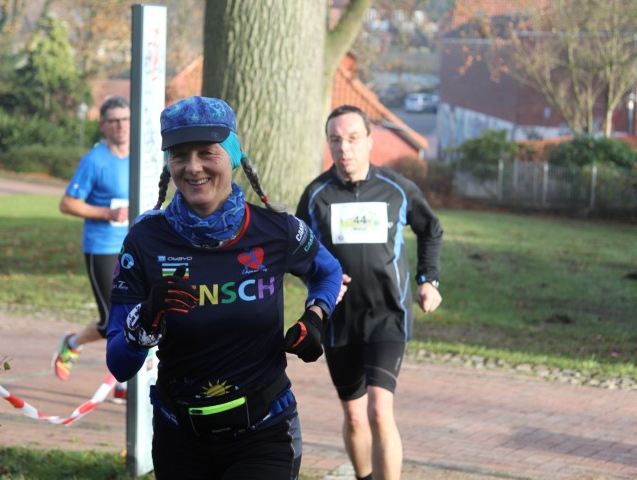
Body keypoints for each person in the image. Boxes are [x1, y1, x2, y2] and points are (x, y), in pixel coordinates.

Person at [105, 96, 343, 479]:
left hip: (264, 432)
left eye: (206, 152)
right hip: (180, 438)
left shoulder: (277, 229)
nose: (193, 167)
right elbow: (119, 365)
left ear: (231, 155)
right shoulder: (145, 240)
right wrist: (145, 319)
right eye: (180, 155)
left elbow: (329, 273)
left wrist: (315, 317)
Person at [295, 105, 443, 480]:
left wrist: (428, 280)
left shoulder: (396, 189)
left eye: (353, 138)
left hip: (387, 315)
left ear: (369, 141)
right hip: (339, 320)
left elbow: (430, 228)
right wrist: (319, 282)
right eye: (335, 139)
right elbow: (299, 252)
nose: (344, 147)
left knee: (378, 409)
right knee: (355, 415)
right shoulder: (315, 195)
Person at [52, 96, 131, 402]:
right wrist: (106, 213)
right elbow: (67, 203)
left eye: (125, 119)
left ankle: (124, 380)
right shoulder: (94, 160)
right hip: (103, 247)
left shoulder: (144, 158)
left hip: (136, 246)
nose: (121, 125)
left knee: (141, 313)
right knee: (113, 320)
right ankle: (73, 344)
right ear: (103, 125)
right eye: (114, 120)